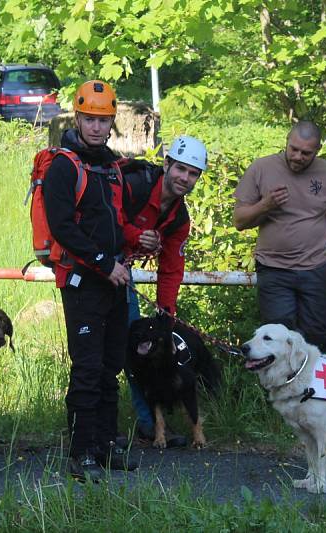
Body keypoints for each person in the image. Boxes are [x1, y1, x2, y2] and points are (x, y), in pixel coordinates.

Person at [43, 79, 136, 481]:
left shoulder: (111, 166)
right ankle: (81, 454)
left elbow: (118, 223)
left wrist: (132, 248)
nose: (97, 127)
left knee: (110, 366)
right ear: (77, 118)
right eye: (89, 119)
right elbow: (62, 227)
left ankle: (107, 445)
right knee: (87, 367)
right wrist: (104, 263)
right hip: (83, 281)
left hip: (113, 278)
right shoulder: (64, 166)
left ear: (112, 121)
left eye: (103, 120)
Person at [233, 120, 326, 350]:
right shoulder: (261, 168)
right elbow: (239, 221)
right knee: (276, 339)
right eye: (293, 149)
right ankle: (278, 385)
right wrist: (265, 205)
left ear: (317, 150)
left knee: (316, 338)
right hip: (274, 268)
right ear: (286, 142)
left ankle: (314, 386)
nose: (298, 156)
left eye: (306, 153)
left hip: (318, 268)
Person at [121, 135, 208, 447]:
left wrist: (166, 313)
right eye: (180, 169)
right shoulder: (135, 185)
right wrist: (134, 236)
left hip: (122, 272)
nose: (185, 177)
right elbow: (102, 216)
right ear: (167, 164)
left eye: (193, 173)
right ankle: (94, 431)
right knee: (111, 348)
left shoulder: (179, 218)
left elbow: (171, 268)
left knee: (133, 347)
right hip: (94, 264)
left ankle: (147, 425)